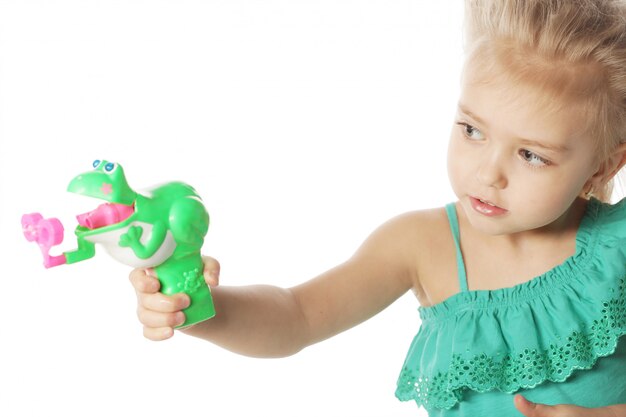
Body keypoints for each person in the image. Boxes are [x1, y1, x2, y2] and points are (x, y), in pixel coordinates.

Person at [129, 1, 626, 415]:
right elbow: (297, 315)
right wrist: (205, 312)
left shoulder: (617, 247)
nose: (487, 173)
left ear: (602, 167)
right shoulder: (419, 246)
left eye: (530, 155)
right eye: (472, 130)